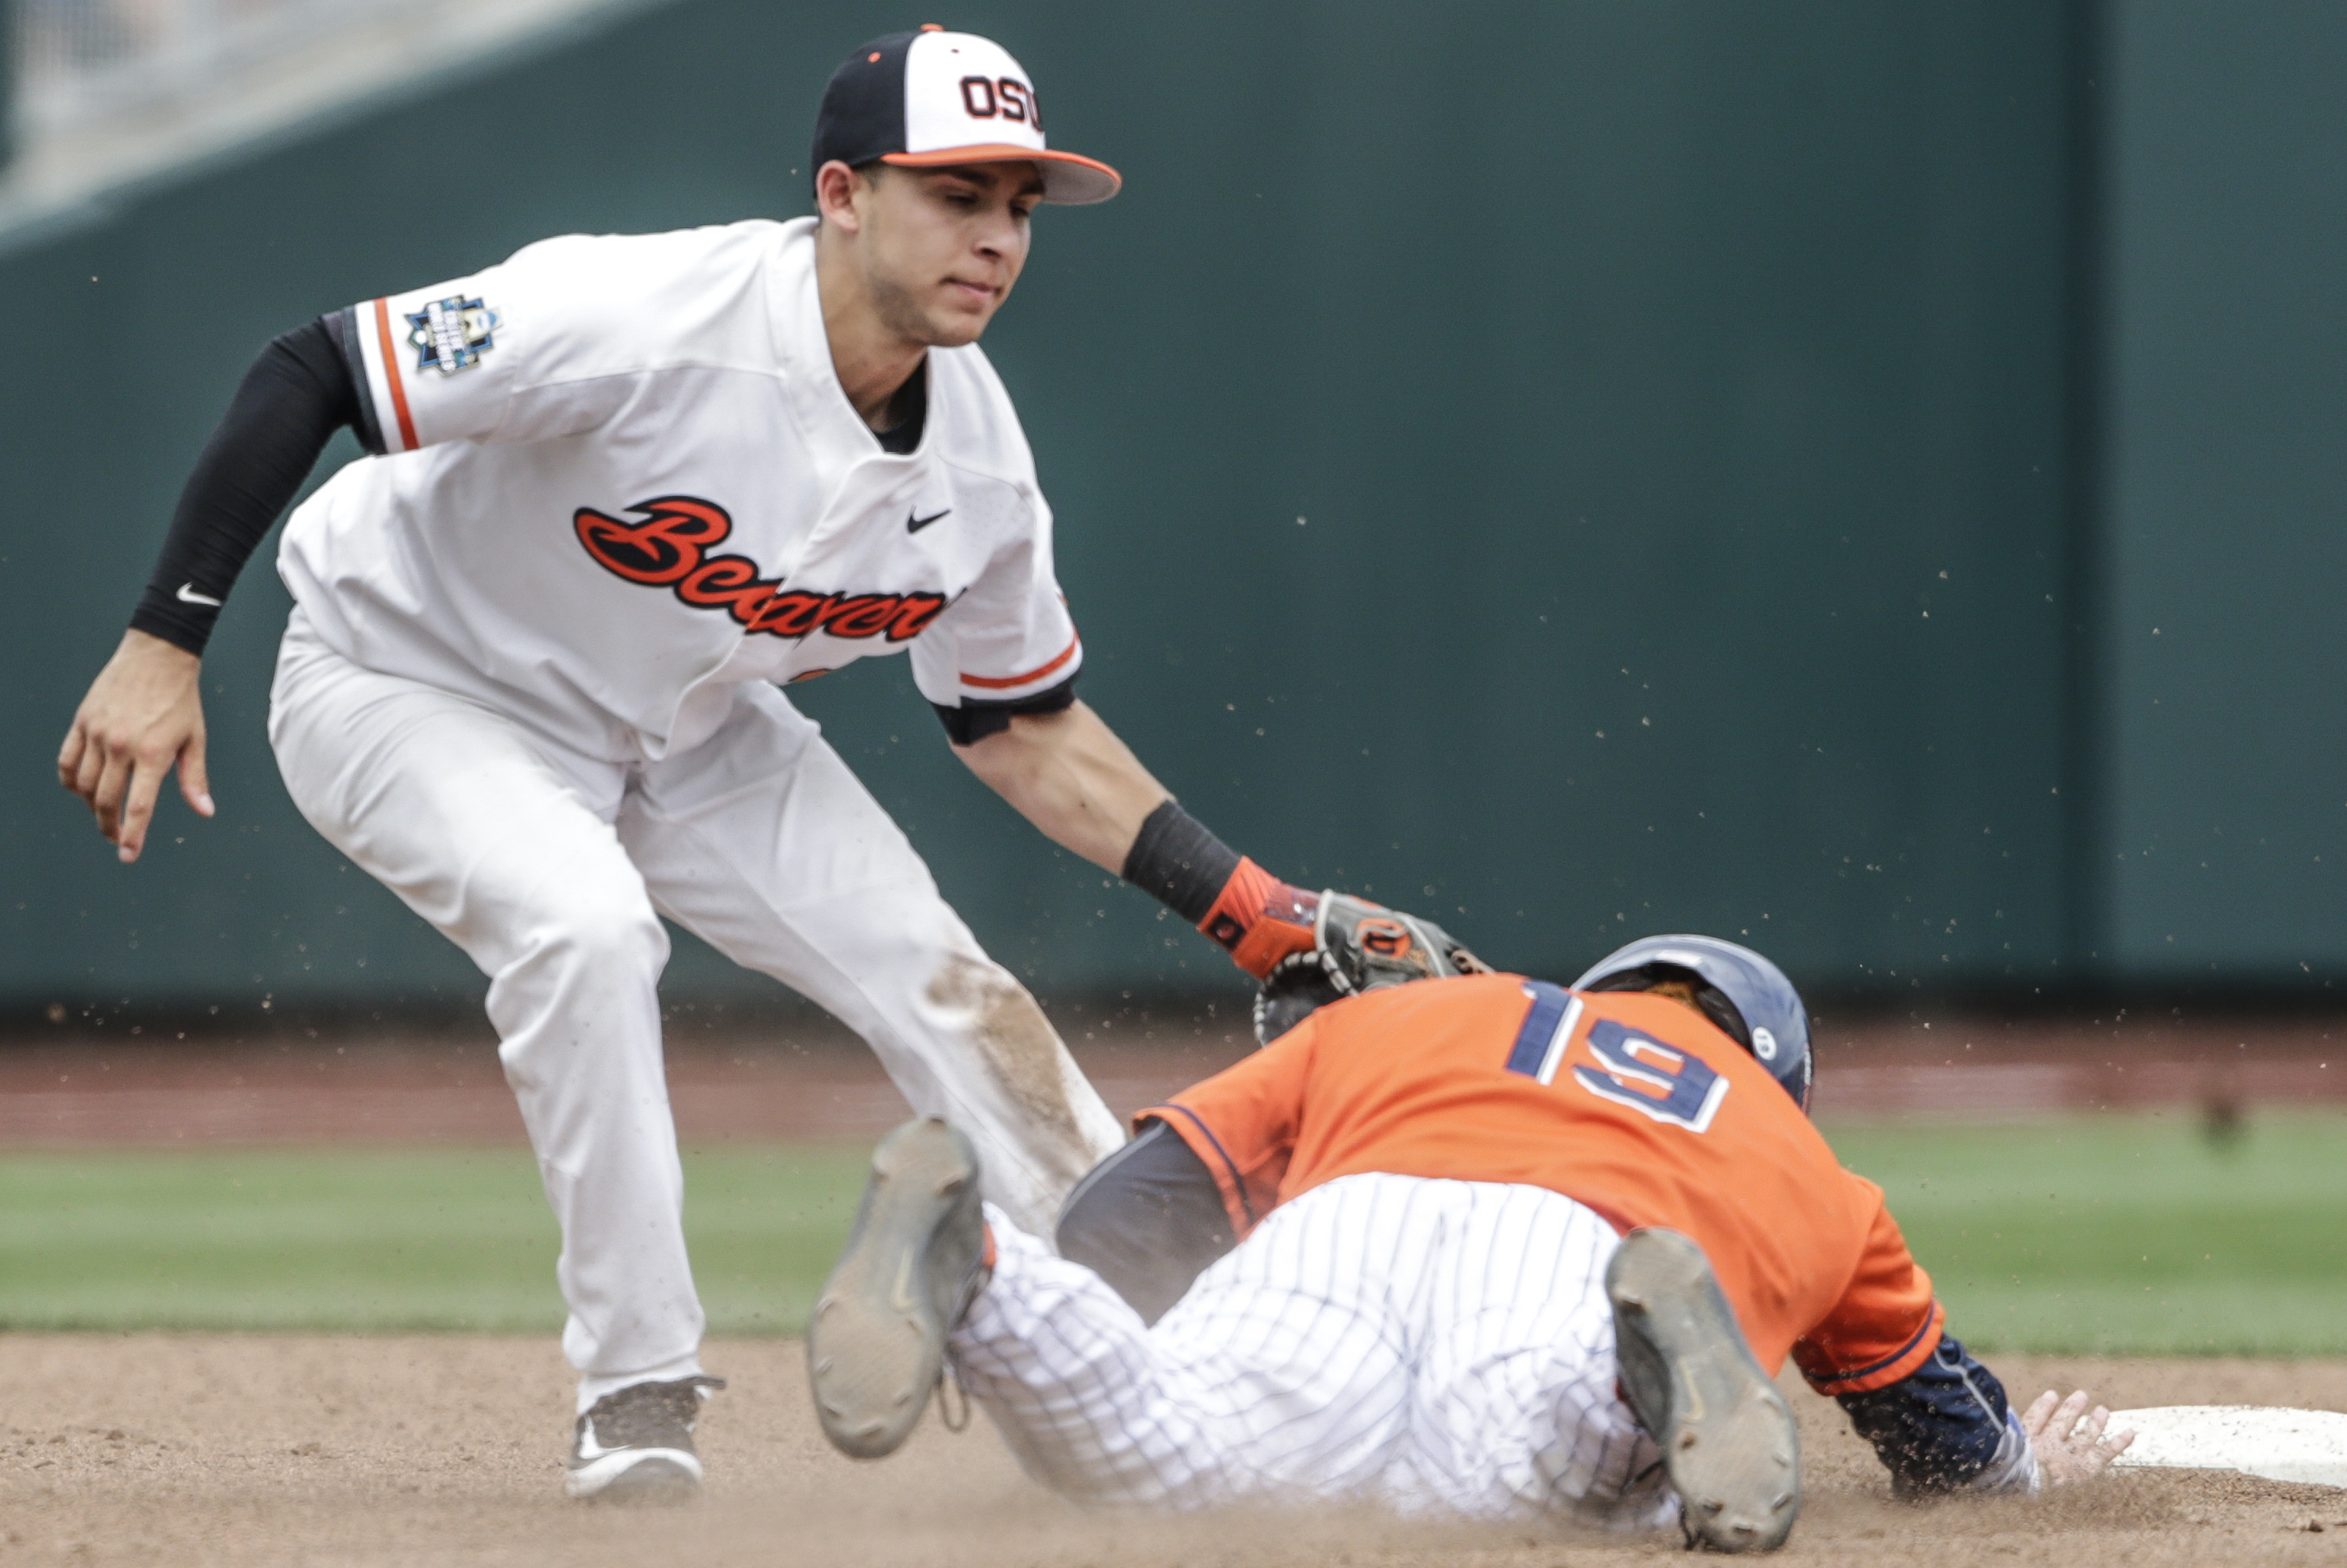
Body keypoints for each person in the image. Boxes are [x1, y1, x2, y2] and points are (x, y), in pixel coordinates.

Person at [53, 27, 1462, 1501]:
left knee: (945, 982)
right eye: (957, 194)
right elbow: (319, 362)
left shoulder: (976, 466)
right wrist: (165, 639)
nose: (995, 239)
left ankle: (1195, 1346)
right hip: (409, 677)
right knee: (588, 927)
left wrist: (1247, 905)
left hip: (691, 723)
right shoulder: (649, 314)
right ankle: (638, 1386)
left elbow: (1020, 727)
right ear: (843, 195)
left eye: (1019, 209)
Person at [805, 928, 2135, 1552]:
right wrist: (2024, 1469)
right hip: (1579, 1263)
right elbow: (1943, 1446)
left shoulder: (1410, 1016)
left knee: (1171, 1440)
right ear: (1771, 1065)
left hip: (1341, 1224)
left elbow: (1122, 1211)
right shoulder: (1807, 1168)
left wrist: (1158, 1307)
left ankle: (981, 1275)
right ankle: (1637, 1376)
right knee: (1517, 1482)